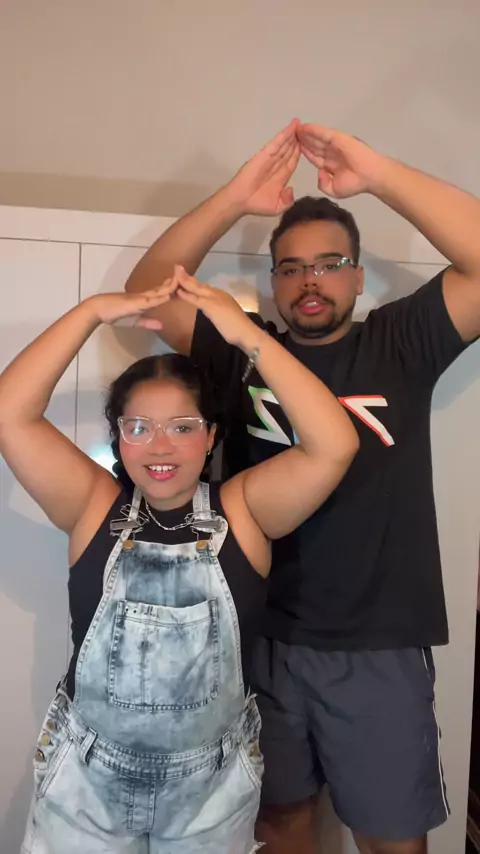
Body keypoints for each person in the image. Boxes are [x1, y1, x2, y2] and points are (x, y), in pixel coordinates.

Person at [124, 119, 480, 854]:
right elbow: (144, 292)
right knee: (279, 824)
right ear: (274, 283)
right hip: (259, 636)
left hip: (378, 642)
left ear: (358, 275)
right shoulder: (242, 348)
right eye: (290, 268)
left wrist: (377, 173)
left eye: (329, 264)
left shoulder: (400, 341)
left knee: (391, 839)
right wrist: (234, 198)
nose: (309, 281)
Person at [0, 274, 358, 854]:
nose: (159, 446)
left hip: (211, 795)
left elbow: (334, 445)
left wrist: (247, 337)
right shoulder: (92, 506)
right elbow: (10, 413)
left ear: (211, 436)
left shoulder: (245, 511)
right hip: (84, 789)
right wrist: (90, 312)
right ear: (119, 438)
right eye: (138, 427)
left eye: (182, 427)